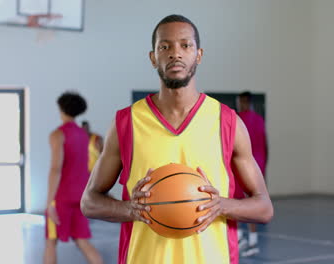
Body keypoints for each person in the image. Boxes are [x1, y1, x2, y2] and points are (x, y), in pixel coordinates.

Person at [81, 14, 273, 264]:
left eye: (185, 45)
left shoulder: (228, 123)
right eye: (165, 46)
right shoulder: (126, 123)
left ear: (199, 55)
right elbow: (89, 202)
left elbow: (264, 207)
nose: (175, 53)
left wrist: (221, 205)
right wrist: (131, 209)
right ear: (153, 57)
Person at [43, 92, 103, 264]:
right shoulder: (84, 135)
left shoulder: (58, 134)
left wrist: (49, 203)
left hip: (61, 196)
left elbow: (56, 169)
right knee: (82, 240)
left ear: (61, 109)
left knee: (50, 243)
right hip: (80, 196)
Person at [236, 91, 269, 257]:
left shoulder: (238, 119)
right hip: (260, 167)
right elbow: (266, 143)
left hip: (244, 167)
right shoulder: (260, 120)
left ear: (243, 101)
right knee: (253, 201)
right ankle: (247, 240)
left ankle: (247, 240)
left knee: (241, 203)